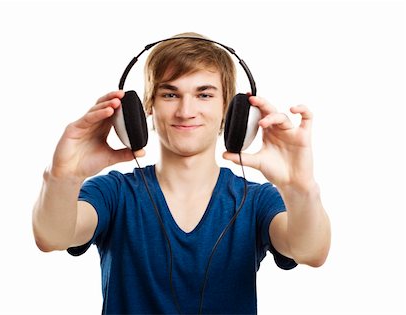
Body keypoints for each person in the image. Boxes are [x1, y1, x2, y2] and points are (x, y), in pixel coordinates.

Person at [32, 32, 331, 314]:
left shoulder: (255, 200)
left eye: (204, 95)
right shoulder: (114, 193)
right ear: (147, 106)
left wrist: (300, 187)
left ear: (230, 109)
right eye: (170, 95)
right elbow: (53, 236)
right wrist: (63, 175)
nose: (186, 111)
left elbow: (311, 251)